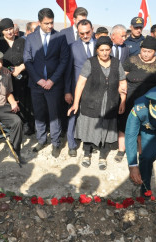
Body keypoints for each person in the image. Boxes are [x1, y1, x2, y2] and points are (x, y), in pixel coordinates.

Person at [68, 36, 127, 169]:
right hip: (91, 102)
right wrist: (76, 103)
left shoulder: (117, 63)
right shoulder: (90, 62)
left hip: (110, 103)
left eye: (107, 49)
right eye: (102, 50)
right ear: (97, 50)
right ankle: (87, 154)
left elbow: (122, 83)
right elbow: (81, 83)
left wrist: (122, 101)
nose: (105, 53)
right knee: (89, 128)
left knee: (106, 131)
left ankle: (102, 156)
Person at [23, 8, 69, 158]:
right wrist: (39, 80)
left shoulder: (60, 37)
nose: (50, 26)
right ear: (39, 22)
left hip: (53, 85)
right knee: (39, 113)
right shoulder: (30, 38)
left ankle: (56, 143)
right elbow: (27, 60)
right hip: (36, 84)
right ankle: (41, 139)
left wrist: (52, 80)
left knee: (54, 115)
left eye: (51, 23)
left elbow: (64, 61)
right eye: (46, 23)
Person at [119, 36, 156, 162]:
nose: (146, 54)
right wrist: (123, 100)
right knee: (125, 125)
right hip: (131, 98)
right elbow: (122, 79)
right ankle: (121, 150)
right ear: (141, 49)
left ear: (154, 51)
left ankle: (142, 153)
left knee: (145, 127)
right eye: (144, 51)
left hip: (151, 102)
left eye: (149, 51)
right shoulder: (131, 60)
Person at [0, 18, 33, 136]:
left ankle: (26, 124)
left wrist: (21, 67)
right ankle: (9, 126)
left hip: (23, 78)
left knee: (25, 101)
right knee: (8, 101)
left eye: (11, 29)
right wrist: (8, 69)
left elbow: (30, 58)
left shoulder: (22, 41)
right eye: (6, 30)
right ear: (1, 31)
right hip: (5, 79)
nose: (9, 32)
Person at [65, 19, 96, 157]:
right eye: (81, 33)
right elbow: (68, 71)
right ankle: (71, 144)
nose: (84, 35)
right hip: (76, 88)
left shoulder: (99, 45)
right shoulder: (72, 46)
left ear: (92, 29)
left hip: (95, 88)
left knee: (92, 116)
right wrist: (67, 91)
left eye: (87, 32)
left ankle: (90, 143)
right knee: (73, 115)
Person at [110, 24, 130, 162]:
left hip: (121, 87)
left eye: (125, 36)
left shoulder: (126, 49)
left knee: (121, 114)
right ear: (113, 36)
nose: (124, 38)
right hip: (108, 87)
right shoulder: (104, 47)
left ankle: (120, 143)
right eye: (122, 36)